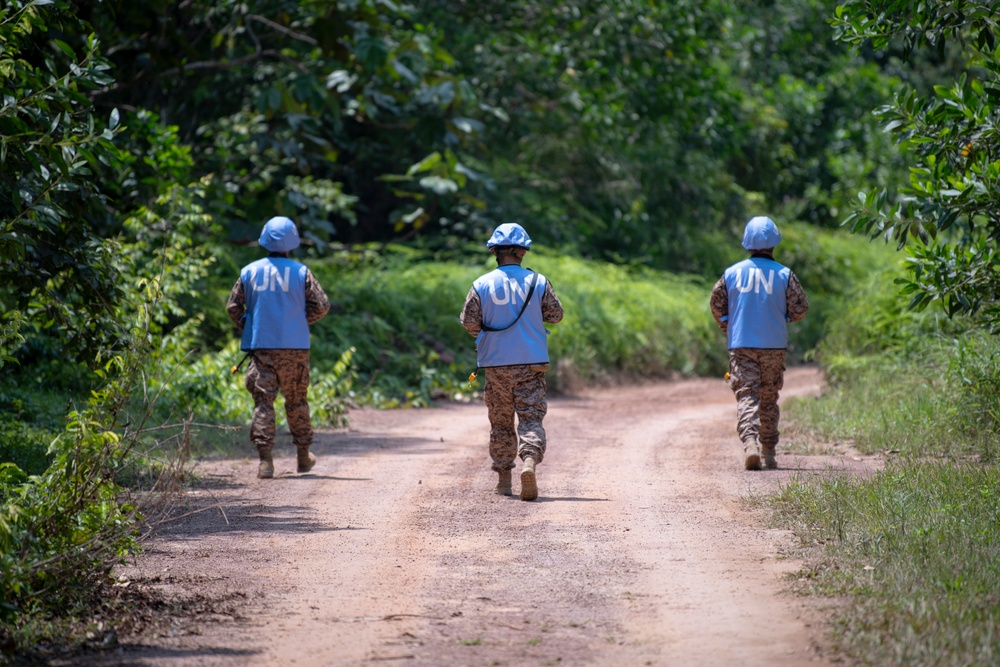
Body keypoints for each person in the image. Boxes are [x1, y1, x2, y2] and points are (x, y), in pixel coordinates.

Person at [460, 223, 564, 500]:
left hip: (494, 364)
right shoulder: (538, 281)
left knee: (501, 421)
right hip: (531, 363)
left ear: (495, 251)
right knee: (531, 417)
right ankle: (528, 462)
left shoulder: (480, 284)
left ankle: (504, 480)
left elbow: (469, 322)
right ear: (521, 251)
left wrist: (489, 335)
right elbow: (555, 315)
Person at [226, 216, 331, 479]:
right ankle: (303, 457)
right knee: (297, 401)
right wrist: (297, 321)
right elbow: (322, 305)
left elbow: (233, 307)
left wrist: (249, 326)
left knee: (263, 402)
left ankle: (265, 462)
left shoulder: (249, 271)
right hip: (295, 347)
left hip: (262, 347)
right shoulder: (301, 271)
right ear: (292, 242)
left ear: (264, 239)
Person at [709, 216, 809, 470]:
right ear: (775, 243)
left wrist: (727, 325)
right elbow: (801, 308)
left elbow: (716, 303)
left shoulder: (731, 273)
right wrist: (783, 318)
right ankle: (769, 451)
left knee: (747, 395)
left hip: (741, 344)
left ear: (747, 243)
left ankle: (750, 442)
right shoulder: (785, 275)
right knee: (768, 396)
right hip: (774, 345)